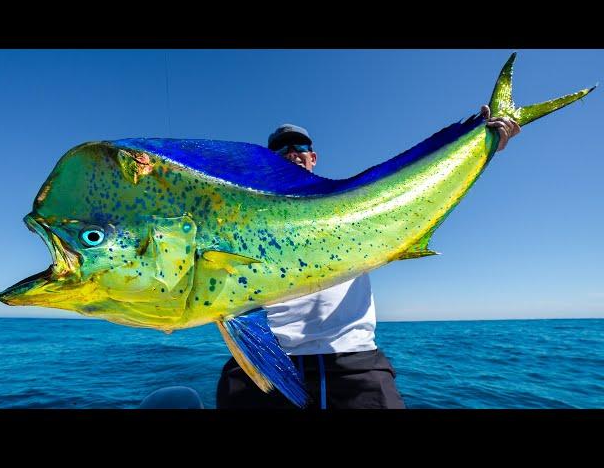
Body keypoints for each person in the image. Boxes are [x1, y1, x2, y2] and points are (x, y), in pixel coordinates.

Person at [215, 106, 520, 409]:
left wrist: (484, 147)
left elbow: (426, 190)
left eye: (301, 146)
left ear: (313, 157)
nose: (292, 152)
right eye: (282, 148)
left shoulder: (353, 205)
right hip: (265, 357)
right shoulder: (243, 212)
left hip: (353, 359)